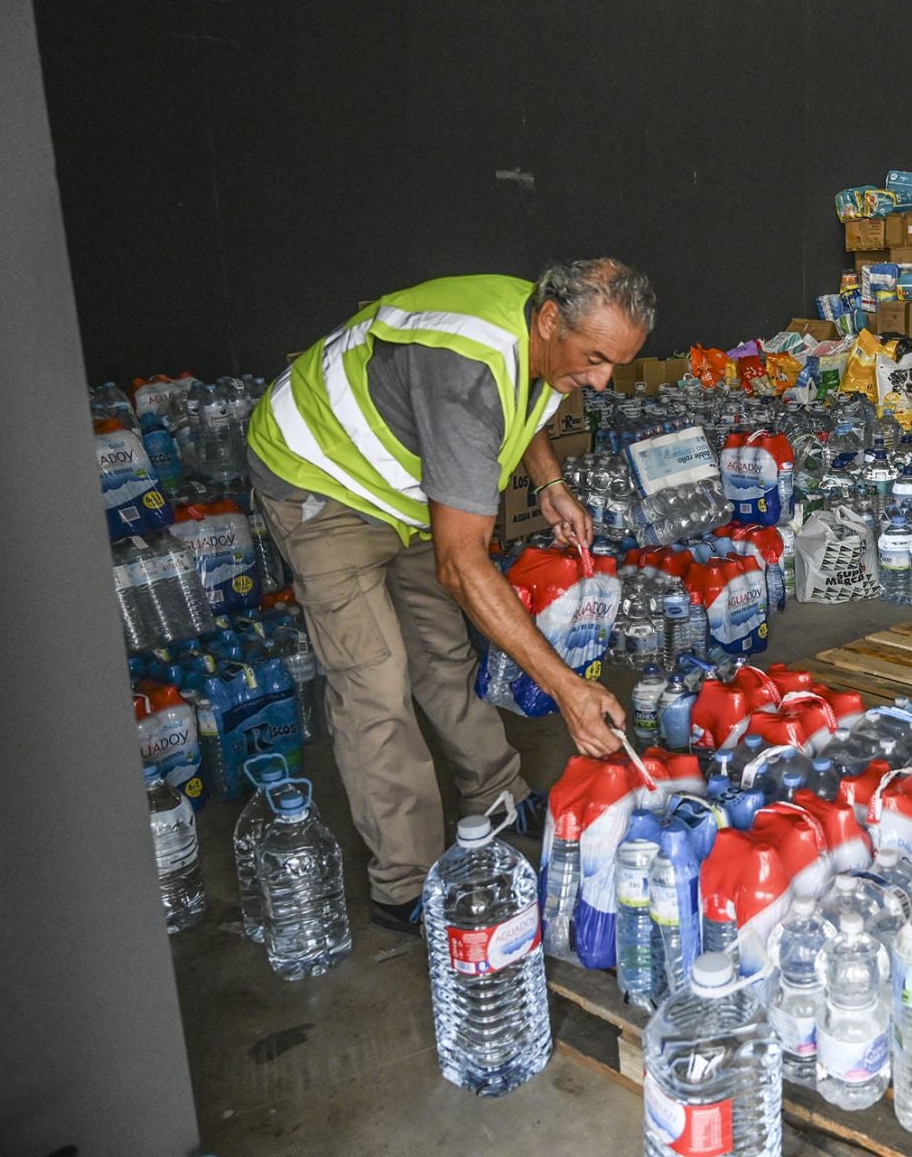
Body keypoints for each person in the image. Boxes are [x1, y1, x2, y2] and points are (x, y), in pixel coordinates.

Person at [245, 262, 653, 929]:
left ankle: (494, 794)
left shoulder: (543, 340)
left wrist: (548, 483)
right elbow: (463, 567)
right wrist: (567, 690)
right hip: (320, 478)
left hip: (406, 483)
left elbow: (531, 405)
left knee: (443, 648)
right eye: (597, 359)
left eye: (618, 364)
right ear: (551, 321)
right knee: (376, 678)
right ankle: (404, 883)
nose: (604, 380)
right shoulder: (467, 369)